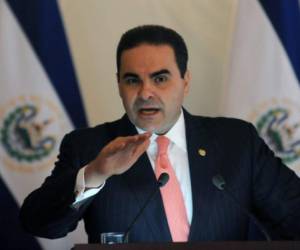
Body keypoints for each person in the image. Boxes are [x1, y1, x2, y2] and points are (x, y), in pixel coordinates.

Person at [20, 25, 300, 243]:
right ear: (118, 84)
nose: (145, 93)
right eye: (132, 80)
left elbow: (293, 216)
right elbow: (39, 224)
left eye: (160, 78)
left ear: (185, 81)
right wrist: (95, 173)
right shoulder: (89, 147)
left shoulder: (237, 142)